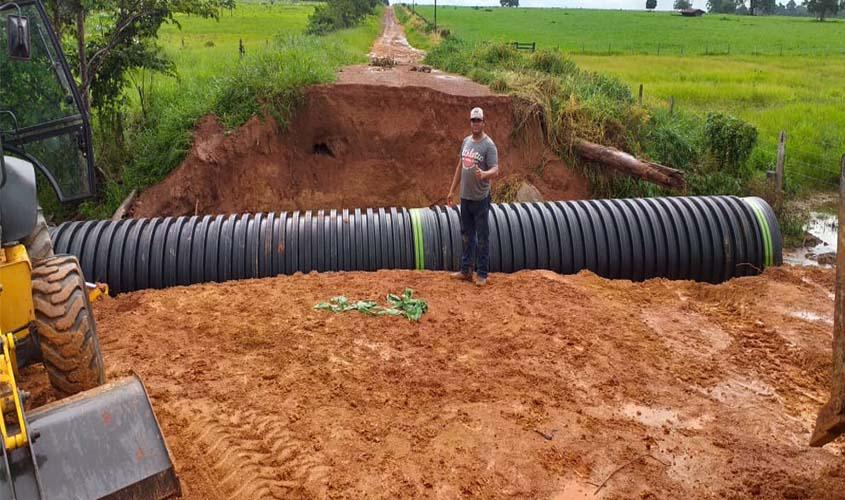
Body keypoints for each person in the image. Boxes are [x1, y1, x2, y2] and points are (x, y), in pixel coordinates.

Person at [446, 107, 499, 286]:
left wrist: (485, 174)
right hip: (465, 198)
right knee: (467, 235)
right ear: (470, 122)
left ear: (484, 122)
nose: (475, 123)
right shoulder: (466, 142)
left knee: (482, 237)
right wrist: (452, 190)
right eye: (473, 120)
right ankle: (466, 271)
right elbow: (460, 167)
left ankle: (482, 274)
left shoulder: (489, 145)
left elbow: (496, 169)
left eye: (478, 120)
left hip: (481, 199)